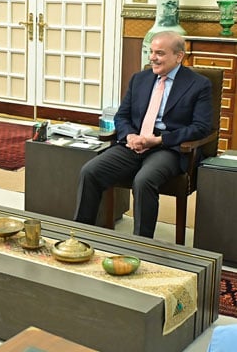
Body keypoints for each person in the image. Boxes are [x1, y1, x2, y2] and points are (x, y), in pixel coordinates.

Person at [74, 31, 213, 238]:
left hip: (168, 148)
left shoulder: (199, 84)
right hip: (134, 143)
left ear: (179, 56)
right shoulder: (139, 79)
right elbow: (122, 116)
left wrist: (159, 140)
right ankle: (81, 237)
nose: (152, 57)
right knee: (90, 171)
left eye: (160, 53)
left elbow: (201, 127)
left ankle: (140, 247)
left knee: (144, 180)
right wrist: (130, 136)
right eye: (151, 52)